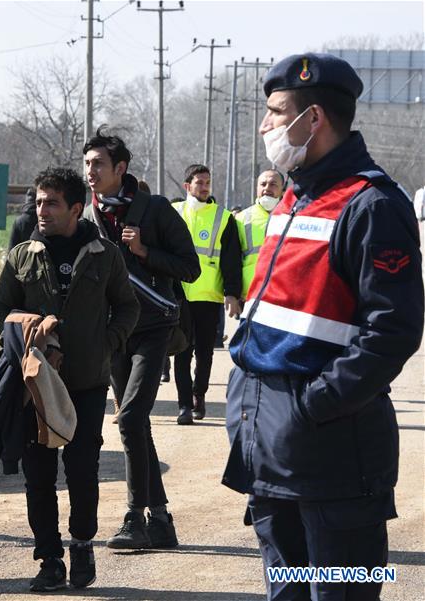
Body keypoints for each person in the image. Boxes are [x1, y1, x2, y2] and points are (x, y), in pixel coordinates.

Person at [224, 53, 424, 601]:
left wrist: (310, 407)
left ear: (312, 120)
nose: (266, 124)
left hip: (334, 460)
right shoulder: (294, 195)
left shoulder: (373, 204)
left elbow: (393, 331)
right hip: (273, 454)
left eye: (274, 112)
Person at [0, 167, 139, 592]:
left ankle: (82, 543)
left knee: (82, 471)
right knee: (37, 476)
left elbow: (128, 308)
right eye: (37, 202)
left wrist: (106, 343)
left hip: (88, 383)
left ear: (75, 207)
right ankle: (49, 559)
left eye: (51, 202)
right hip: (36, 385)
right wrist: (27, 325)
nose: (41, 210)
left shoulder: (104, 254)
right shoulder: (22, 255)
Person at [81, 130, 199, 550]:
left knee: (129, 418)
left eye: (98, 164)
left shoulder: (155, 210)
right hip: (113, 333)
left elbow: (190, 269)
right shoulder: (86, 218)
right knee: (137, 425)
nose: (91, 171)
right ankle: (161, 519)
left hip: (154, 328)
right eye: (87, 163)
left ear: (120, 169)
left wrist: (147, 252)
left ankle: (134, 517)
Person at [171, 165, 242, 424]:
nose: (204, 187)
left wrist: (232, 293)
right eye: (199, 182)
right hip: (179, 295)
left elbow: (231, 260)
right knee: (181, 351)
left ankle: (198, 396)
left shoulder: (223, 217)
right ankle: (183, 405)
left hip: (209, 296)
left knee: (204, 352)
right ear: (187, 186)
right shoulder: (173, 212)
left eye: (208, 182)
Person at [237, 170, 284, 300]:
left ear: (282, 189)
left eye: (273, 184)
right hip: (250, 294)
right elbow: (233, 260)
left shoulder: (293, 216)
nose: (267, 188)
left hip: (282, 296)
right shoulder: (241, 219)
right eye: (263, 184)